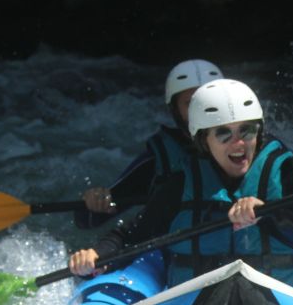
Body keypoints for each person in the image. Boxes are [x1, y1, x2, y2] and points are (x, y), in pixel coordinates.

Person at [68, 79, 293, 293]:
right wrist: (97, 257)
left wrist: (270, 213)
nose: (238, 143)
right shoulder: (181, 182)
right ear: (204, 140)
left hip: (276, 302)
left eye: (247, 131)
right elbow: (132, 236)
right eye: (223, 134)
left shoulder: (283, 174)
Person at [75, 58, 225, 228]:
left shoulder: (243, 149)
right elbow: (87, 220)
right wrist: (95, 201)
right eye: (190, 103)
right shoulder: (160, 161)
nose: (201, 110)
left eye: (208, 101)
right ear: (175, 110)